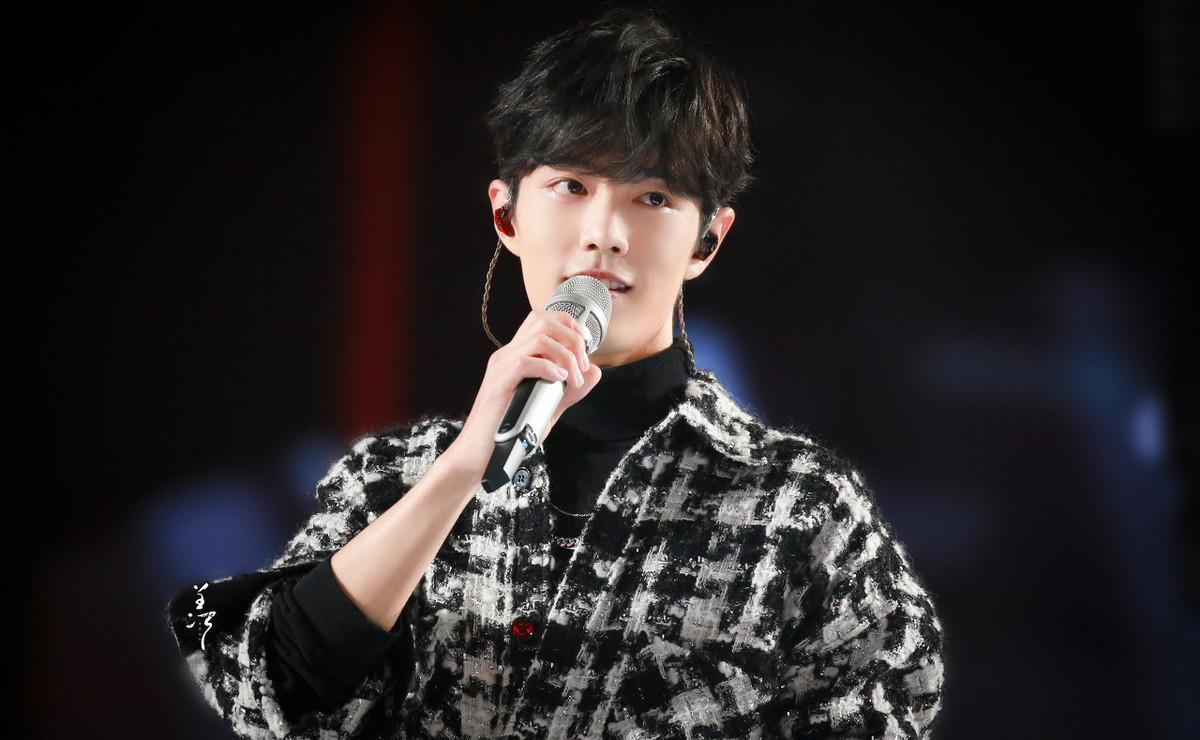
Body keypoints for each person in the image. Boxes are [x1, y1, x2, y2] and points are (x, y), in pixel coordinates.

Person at [164, 6, 946, 739]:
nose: (604, 233)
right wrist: (462, 468)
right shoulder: (389, 481)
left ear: (708, 240)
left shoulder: (798, 507)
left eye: (653, 196)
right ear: (506, 213)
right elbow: (264, 689)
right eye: (572, 186)